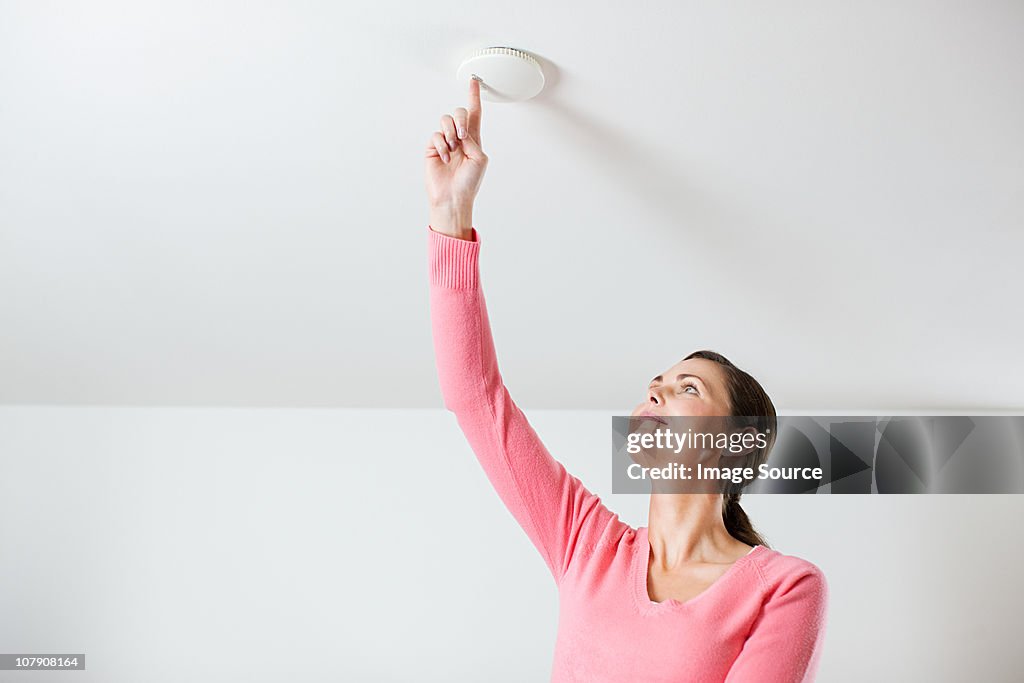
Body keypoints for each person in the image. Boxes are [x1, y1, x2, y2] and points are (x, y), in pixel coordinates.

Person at [423, 76, 828, 682]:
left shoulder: (784, 587)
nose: (656, 392)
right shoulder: (587, 545)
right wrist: (450, 215)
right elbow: (474, 399)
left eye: (689, 388)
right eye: (657, 383)